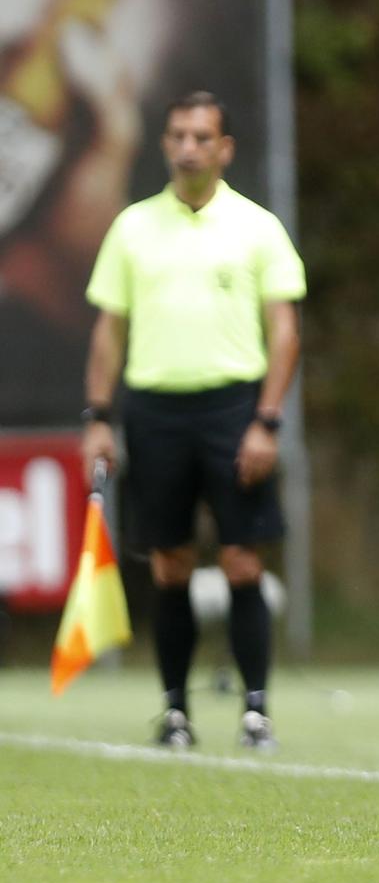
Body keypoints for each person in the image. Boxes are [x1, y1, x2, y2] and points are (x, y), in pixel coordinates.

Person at [79, 90, 304, 750]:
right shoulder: (133, 227)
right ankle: (175, 710)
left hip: (234, 407)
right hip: (155, 410)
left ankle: (255, 708)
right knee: (170, 562)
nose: (189, 147)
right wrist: (98, 416)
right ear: (165, 143)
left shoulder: (258, 227)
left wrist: (267, 420)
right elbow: (108, 332)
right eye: (178, 134)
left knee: (241, 559)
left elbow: (284, 330)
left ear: (224, 148)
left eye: (203, 136)